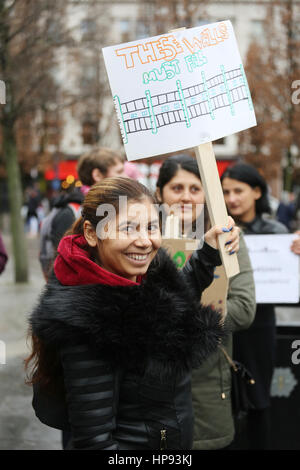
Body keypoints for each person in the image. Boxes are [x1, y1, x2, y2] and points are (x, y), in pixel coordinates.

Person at [26, 177, 239, 450]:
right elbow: (95, 443)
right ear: (92, 233)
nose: (144, 241)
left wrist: (207, 251)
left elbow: (168, 300)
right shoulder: (87, 323)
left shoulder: (139, 275)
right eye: (128, 228)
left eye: (151, 227)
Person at [156, 154, 256, 450]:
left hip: (208, 382)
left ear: (206, 194)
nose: (186, 197)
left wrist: (183, 316)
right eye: (176, 188)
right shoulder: (142, 239)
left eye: (195, 188)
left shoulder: (229, 240)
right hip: (151, 385)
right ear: (160, 192)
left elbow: (245, 308)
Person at [221, 162, 288, 450]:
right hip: (228, 323)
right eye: (225, 191)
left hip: (260, 324)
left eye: (239, 190)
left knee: (258, 394)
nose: (232, 198)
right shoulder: (217, 230)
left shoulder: (277, 231)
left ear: (257, 191)